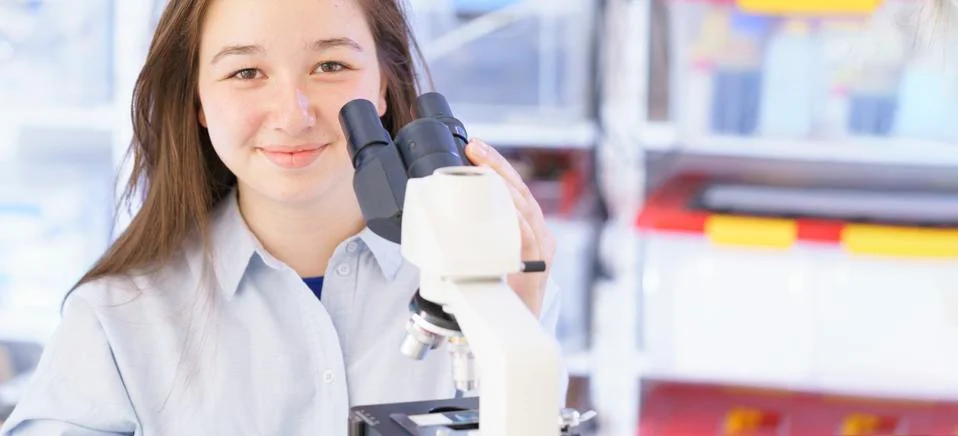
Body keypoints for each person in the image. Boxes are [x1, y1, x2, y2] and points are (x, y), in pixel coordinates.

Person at [0, 0, 566, 434]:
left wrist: (516, 335)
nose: (293, 116)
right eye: (246, 72)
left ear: (383, 86)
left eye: (330, 65)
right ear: (198, 100)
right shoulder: (116, 321)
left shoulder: (491, 281)